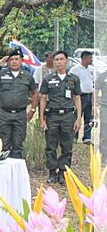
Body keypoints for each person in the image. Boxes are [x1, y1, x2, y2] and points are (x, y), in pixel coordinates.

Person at [0, 49, 39, 159]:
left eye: (16, 59)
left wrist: (32, 110)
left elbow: (35, 93)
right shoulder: (2, 74)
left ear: (21, 61)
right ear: (8, 62)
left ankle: (16, 168)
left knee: (18, 145)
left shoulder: (27, 76)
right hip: (5, 114)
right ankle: (5, 168)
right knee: (4, 145)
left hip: (20, 114)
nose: (14, 62)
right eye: (11, 59)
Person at [40, 51, 82, 183]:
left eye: (61, 59)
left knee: (67, 145)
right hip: (52, 116)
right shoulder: (48, 78)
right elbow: (43, 98)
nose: (59, 62)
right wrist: (41, 119)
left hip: (68, 116)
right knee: (51, 145)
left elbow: (77, 98)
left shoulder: (74, 79)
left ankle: (63, 172)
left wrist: (78, 118)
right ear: (53, 62)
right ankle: (52, 172)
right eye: (56, 60)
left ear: (66, 60)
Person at [69, 51, 94, 144]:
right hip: (80, 96)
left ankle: (87, 138)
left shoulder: (91, 70)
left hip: (89, 95)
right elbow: (70, 83)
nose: (91, 60)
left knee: (89, 117)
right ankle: (74, 136)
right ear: (84, 58)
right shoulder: (75, 70)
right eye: (90, 58)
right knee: (76, 116)